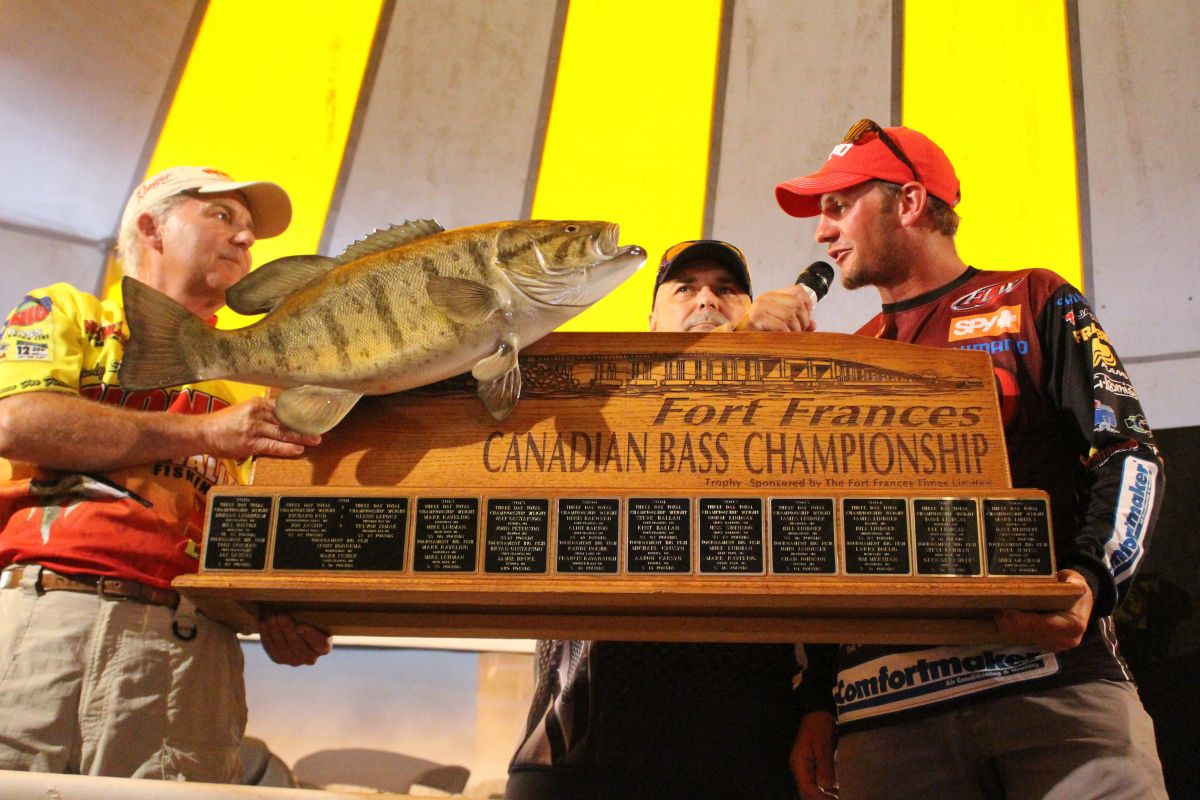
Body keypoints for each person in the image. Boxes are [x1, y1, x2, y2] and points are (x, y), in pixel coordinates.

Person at [775, 120, 1168, 799]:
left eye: (839, 206)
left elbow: (1129, 453)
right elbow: (824, 532)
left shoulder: (1033, 299)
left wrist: (1087, 582)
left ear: (909, 203)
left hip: (1051, 688)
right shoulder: (847, 355)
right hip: (883, 715)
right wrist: (817, 699)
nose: (821, 231)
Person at [0, 166, 333, 782]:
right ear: (152, 226)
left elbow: (271, 528)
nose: (246, 240)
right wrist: (205, 432)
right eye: (222, 216)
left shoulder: (260, 377)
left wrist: (279, 613)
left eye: (250, 231)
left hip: (191, 641)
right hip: (40, 620)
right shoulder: (65, 310)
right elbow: (19, 423)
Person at [506, 240, 817, 800]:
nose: (706, 299)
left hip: (747, 749)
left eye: (726, 290)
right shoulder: (588, 399)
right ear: (648, 322)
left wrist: (820, 706)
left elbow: (823, 557)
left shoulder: (792, 419)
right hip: (577, 750)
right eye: (685, 288)